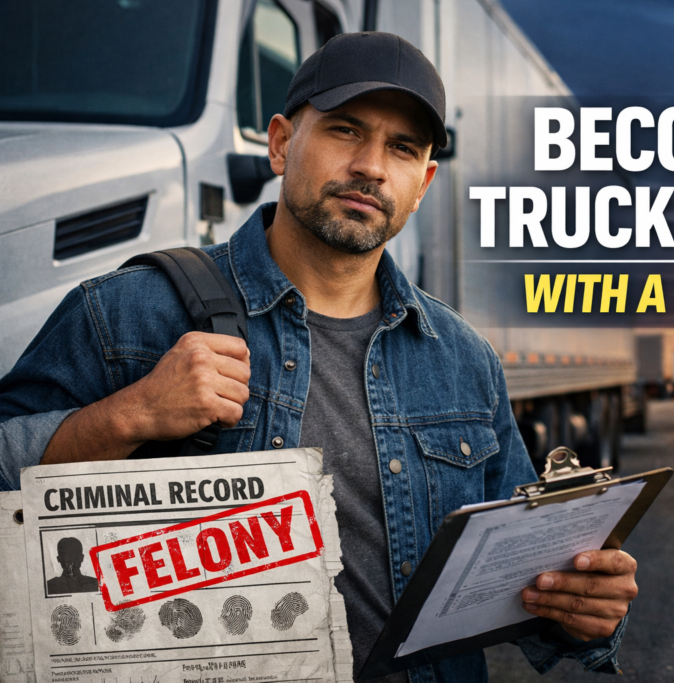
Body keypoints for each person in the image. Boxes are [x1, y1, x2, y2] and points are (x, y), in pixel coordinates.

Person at [0, 32, 637, 681]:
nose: (370, 165)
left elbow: (524, 578)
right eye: (345, 130)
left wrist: (581, 606)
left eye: (403, 148)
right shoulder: (132, 315)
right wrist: (129, 415)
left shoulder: (465, 360)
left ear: (423, 184)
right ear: (280, 142)